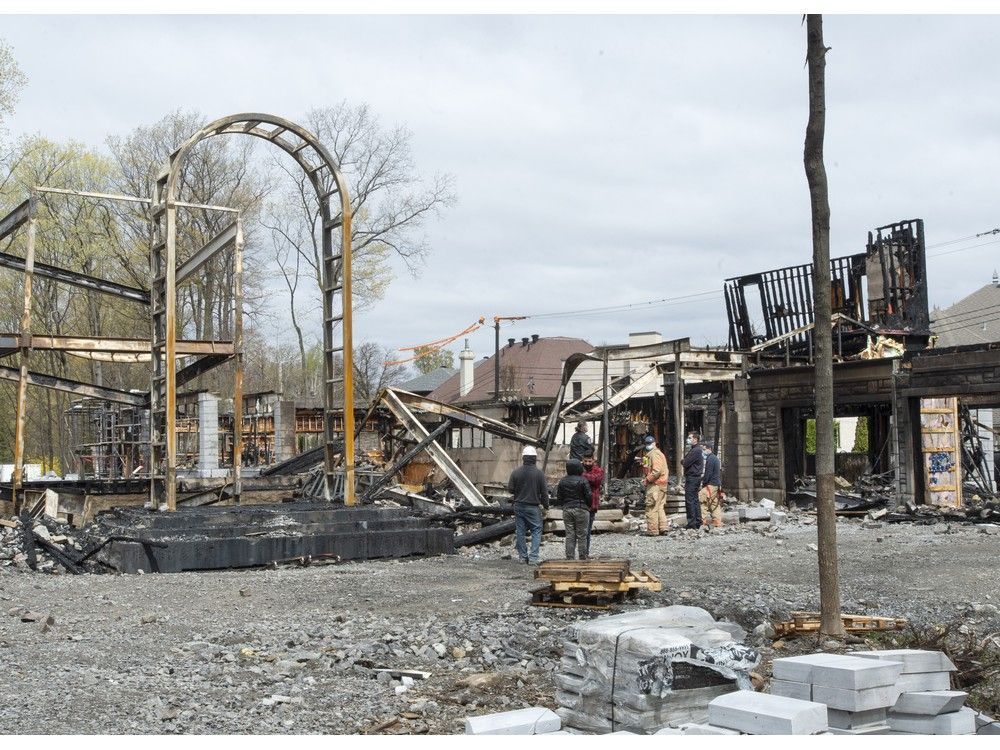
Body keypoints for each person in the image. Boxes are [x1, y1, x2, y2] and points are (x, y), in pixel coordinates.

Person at [507, 445, 548, 564]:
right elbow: (544, 493)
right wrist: (546, 506)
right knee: (536, 530)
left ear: (523, 458)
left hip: (519, 505)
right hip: (533, 506)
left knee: (520, 531)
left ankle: (522, 557)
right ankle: (534, 557)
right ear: (535, 458)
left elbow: (510, 489)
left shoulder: (516, 472)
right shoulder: (539, 474)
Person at [554, 459, 592, 560]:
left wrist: (564, 505)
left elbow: (559, 497)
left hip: (567, 509)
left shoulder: (562, 481)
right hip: (581, 508)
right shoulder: (583, 480)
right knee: (582, 534)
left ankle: (570, 557)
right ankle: (582, 556)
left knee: (570, 534)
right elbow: (589, 496)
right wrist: (588, 506)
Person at [641, 435, 669, 536]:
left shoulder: (654, 454)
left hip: (655, 485)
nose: (648, 445)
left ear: (654, 443)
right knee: (659, 507)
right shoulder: (653, 454)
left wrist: (647, 479)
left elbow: (657, 471)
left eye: (650, 444)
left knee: (651, 507)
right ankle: (663, 527)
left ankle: (653, 530)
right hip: (661, 485)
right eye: (647, 444)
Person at [682, 431, 705, 529]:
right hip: (695, 477)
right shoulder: (695, 450)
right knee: (695, 500)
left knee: (690, 500)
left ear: (695, 439)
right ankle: (697, 521)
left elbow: (685, 462)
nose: (688, 439)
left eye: (690, 437)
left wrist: (683, 461)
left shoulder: (696, 450)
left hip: (692, 477)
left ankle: (692, 523)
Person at [581, 450, 605, 539]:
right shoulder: (579, 469)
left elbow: (595, 479)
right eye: (585, 461)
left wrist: (581, 475)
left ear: (593, 460)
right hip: (580, 504)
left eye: (589, 461)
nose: (587, 463)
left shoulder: (598, 470)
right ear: (582, 460)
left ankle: (585, 552)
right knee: (579, 530)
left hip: (591, 504)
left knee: (587, 530)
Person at [699, 441, 723, 528]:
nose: (703, 451)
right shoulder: (715, 459)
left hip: (710, 485)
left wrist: (703, 483)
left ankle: (702, 521)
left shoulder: (710, 459)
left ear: (709, 449)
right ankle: (717, 521)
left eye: (704, 449)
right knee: (714, 504)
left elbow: (708, 474)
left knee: (702, 501)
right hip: (716, 485)